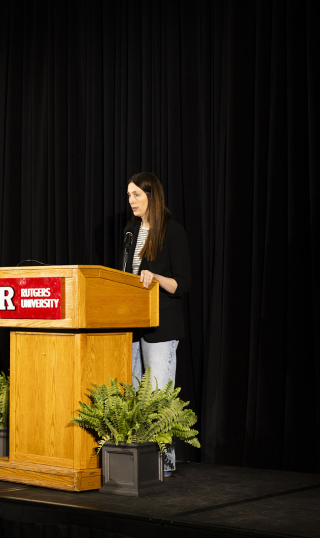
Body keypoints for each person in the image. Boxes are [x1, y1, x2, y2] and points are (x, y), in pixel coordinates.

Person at [124, 172, 191, 477]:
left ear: (152, 196)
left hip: (162, 327)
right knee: (136, 396)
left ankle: (164, 464)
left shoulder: (173, 233)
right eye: (128, 196)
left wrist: (155, 278)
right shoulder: (130, 232)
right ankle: (140, 462)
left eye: (136, 194)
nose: (131, 201)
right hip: (133, 325)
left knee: (158, 397)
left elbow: (183, 285)